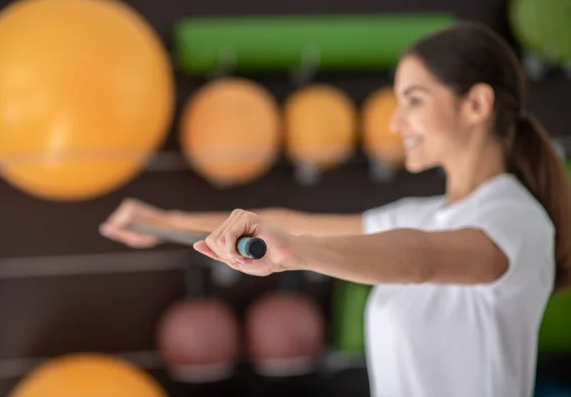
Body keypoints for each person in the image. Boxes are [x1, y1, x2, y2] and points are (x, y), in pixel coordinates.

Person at [99, 22, 571, 397]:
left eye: (414, 100)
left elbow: (420, 260)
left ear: (476, 104)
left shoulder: (514, 218)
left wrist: (298, 252)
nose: (394, 120)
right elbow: (294, 221)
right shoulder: (426, 214)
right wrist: (166, 222)